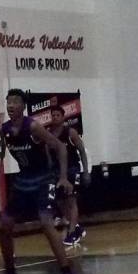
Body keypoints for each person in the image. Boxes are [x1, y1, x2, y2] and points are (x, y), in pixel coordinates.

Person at [0, 89, 78, 274]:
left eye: (15, 101)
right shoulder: (3, 130)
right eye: (8, 101)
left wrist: (63, 177)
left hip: (44, 179)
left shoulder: (34, 127)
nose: (11, 105)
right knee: (4, 226)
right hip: (23, 180)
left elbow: (60, 147)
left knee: (46, 223)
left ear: (23, 106)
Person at [49, 105, 91, 246]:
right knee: (60, 201)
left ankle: (72, 233)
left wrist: (86, 171)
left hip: (72, 170)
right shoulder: (48, 134)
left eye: (57, 115)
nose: (55, 118)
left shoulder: (70, 132)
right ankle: (77, 227)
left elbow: (82, 151)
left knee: (71, 201)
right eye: (53, 115)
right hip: (57, 172)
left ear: (63, 117)